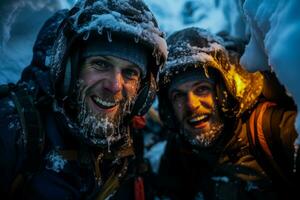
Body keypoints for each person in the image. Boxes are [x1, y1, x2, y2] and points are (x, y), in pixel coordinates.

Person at [0, 0, 167, 199]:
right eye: (100, 64)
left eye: (130, 72)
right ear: (69, 69)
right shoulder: (13, 131)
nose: (114, 86)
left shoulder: (132, 134)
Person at [156, 27, 299, 200]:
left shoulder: (271, 128)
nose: (191, 105)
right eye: (178, 95)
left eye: (201, 89)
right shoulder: (181, 147)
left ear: (222, 93)